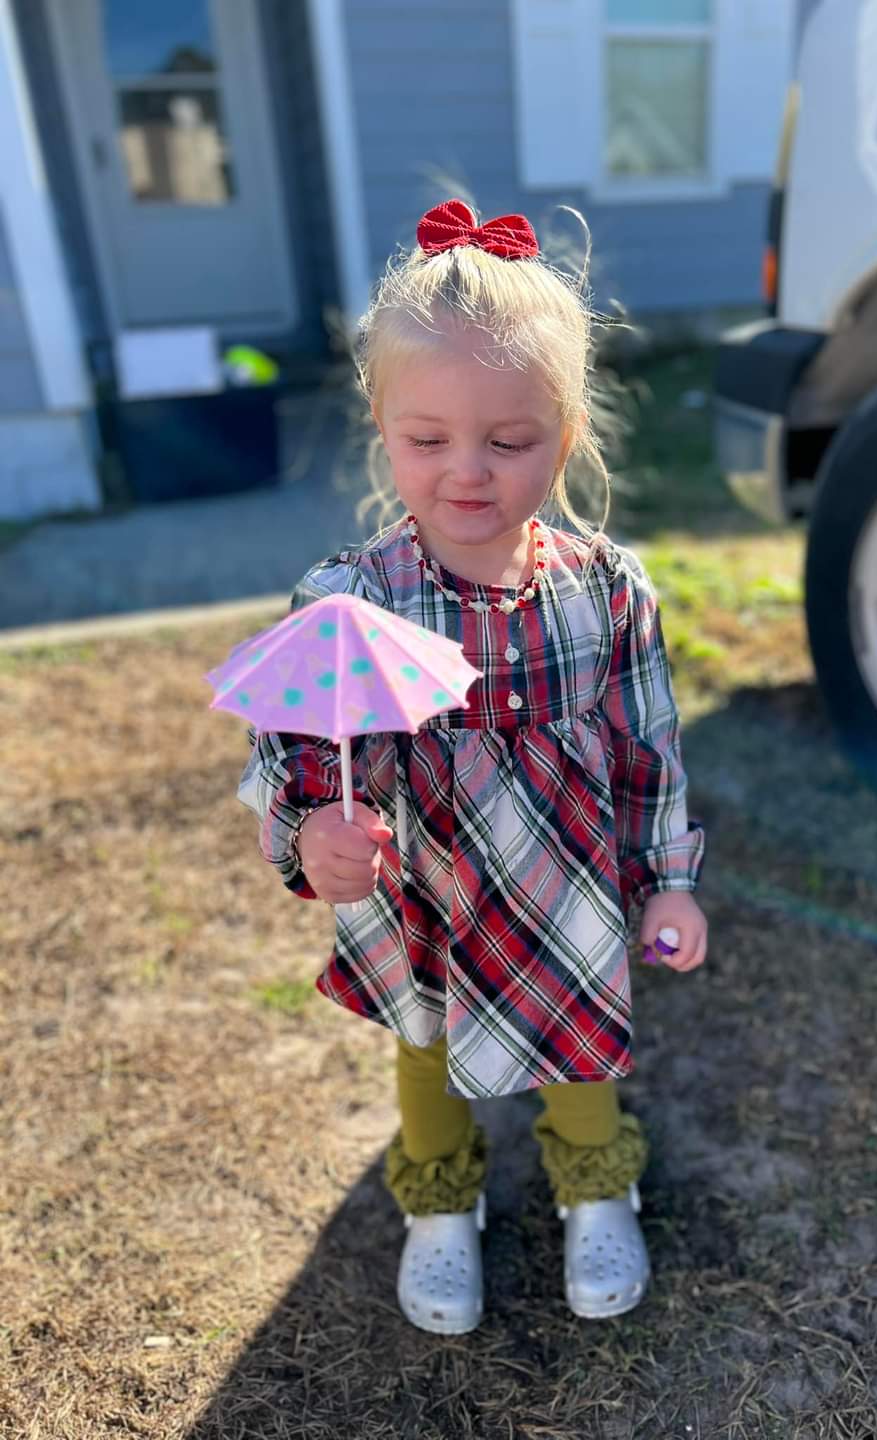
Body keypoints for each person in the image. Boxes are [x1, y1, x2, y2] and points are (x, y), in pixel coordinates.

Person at [237, 198, 707, 1335]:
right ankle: (440, 1206)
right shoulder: (349, 600)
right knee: (425, 1039)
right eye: (427, 439)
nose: (468, 473)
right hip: (418, 890)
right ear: (381, 423)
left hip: (566, 890)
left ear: (572, 426)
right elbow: (290, 753)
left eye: (510, 440)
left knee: (579, 1038)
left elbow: (648, 744)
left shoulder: (607, 590)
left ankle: (598, 1185)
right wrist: (311, 836)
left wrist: (671, 876)